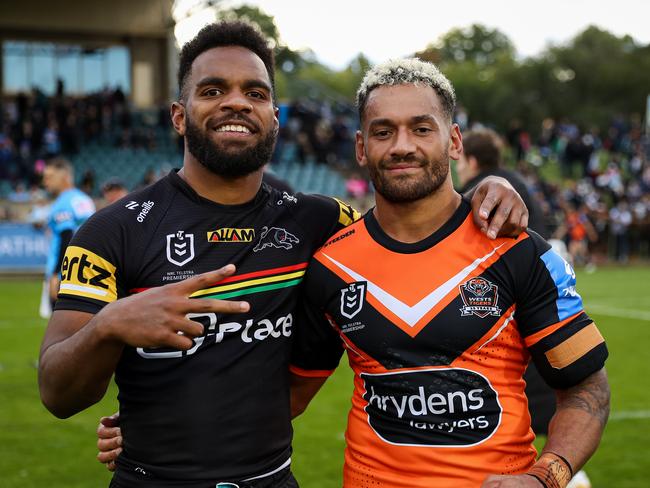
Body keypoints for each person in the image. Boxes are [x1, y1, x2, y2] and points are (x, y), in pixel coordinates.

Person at [46, 22, 525, 488]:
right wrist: (110, 325)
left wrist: (491, 188)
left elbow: (412, 218)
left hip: (271, 480)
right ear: (178, 114)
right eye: (213, 90)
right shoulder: (112, 231)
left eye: (255, 93)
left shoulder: (320, 222)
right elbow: (57, 392)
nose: (237, 102)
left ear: (274, 118)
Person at [289, 58, 610, 487]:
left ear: (454, 141)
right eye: (384, 132)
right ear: (362, 148)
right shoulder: (330, 265)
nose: (402, 146)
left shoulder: (517, 251)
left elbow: (587, 388)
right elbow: (290, 396)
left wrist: (545, 478)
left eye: (422, 129)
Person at [455, 128, 556, 439]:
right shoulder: (517, 183)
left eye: (459, 162)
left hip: (498, 302)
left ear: (471, 160)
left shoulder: (483, 193)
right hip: (540, 290)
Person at [41, 157, 95, 313]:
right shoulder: (84, 200)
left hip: (64, 276)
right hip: (84, 274)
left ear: (64, 177)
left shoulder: (62, 204)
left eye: (49, 177)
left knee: (58, 333)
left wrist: (56, 275)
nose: (45, 182)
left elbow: (67, 237)